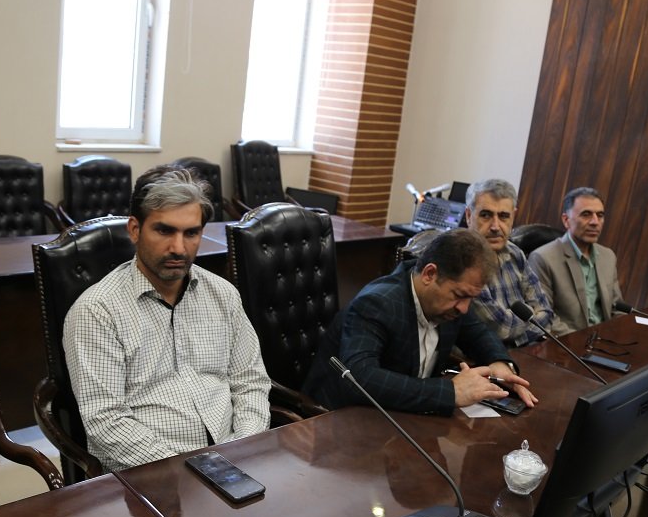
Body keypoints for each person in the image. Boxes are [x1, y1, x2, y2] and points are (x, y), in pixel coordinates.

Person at [63, 165, 270, 472]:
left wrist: (242, 448)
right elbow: (105, 420)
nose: (178, 248)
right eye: (164, 231)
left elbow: (250, 382)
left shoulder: (223, 294)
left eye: (191, 233)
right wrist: (193, 470)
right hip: (152, 475)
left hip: (235, 461)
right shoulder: (97, 310)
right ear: (135, 230)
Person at [304, 228, 536, 415]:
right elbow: (360, 379)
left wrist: (500, 364)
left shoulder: (450, 304)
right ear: (429, 274)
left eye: (471, 299)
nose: (464, 308)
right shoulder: (377, 304)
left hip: (404, 417)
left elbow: (479, 334)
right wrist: (450, 392)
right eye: (459, 295)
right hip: (339, 419)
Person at [464, 178, 553, 346]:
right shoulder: (463, 259)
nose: (495, 226)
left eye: (504, 216)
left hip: (529, 350)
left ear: (513, 217)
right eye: (486, 215)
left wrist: (518, 336)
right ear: (469, 216)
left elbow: (546, 312)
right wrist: (532, 324)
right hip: (488, 356)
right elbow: (501, 328)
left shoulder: (515, 253)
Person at [528, 187, 623, 336]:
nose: (595, 222)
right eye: (586, 214)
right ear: (566, 220)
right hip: (568, 342)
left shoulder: (608, 256)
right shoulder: (543, 258)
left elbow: (618, 309)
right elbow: (545, 318)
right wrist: (585, 341)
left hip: (605, 340)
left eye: (600, 215)